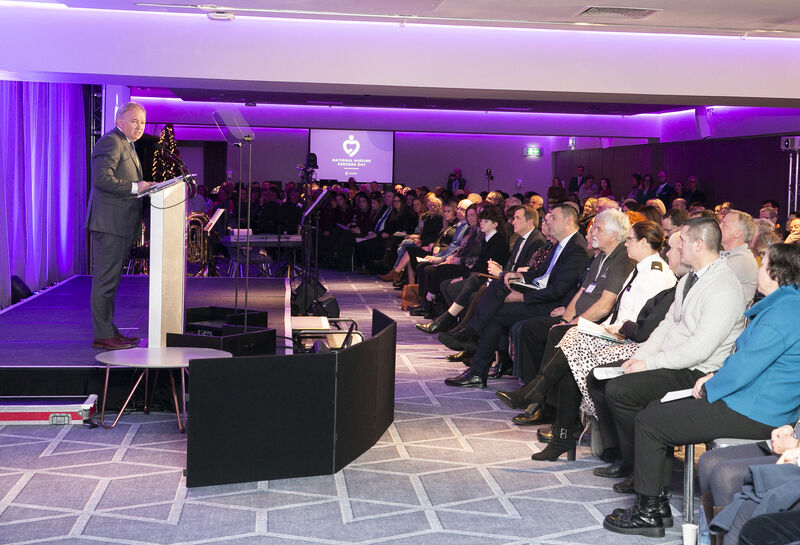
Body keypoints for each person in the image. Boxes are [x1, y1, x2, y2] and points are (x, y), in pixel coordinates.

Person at [603, 243, 800, 538]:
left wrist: (710, 385)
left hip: (756, 411)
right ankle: (655, 504)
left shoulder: (783, 312)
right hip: (756, 403)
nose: (759, 270)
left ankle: (648, 513)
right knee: (655, 411)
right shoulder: (786, 306)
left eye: (763, 265)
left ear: (775, 273)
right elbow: (751, 362)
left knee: (650, 422)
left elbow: (746, 365)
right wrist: (715, 376)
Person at [594, 217, 747, 494]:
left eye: (682, 241)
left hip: (698, 372)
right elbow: (667, 325)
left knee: (620, 390)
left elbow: (699, 350)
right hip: (673, 362)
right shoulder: (690, 278)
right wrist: (640, 357)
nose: (674, 248)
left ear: (699, 244)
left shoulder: (723, 286)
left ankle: (646, 469)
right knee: (599, 378)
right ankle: (631, 459)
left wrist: (648, 364)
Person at [87, 102, 156, 350]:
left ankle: (108, 329)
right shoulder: (111, 142)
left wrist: (144, 188)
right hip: (110, 224)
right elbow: (102, 178)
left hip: (119, 225)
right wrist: (136, 187)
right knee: (105, 282)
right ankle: (103, 334)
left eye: (143, 122)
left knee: (111, 282)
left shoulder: (127, 144)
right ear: (120, 122)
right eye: (134, 121)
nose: (140, 127)